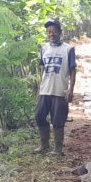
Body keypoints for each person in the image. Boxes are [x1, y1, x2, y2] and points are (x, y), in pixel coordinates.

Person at [35, 18, 76, 155]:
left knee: (58, 120)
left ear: (60, 32)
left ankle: (57, 149)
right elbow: (42, 69)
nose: (51, 34)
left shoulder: (68, 49)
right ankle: (44, 145)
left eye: (54, 31)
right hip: (45, 89)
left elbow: (72, 70)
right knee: (39, 116)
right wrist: (39, 87)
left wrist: (71, 89)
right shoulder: (44, 49)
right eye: (48, 31)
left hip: (60, 90)